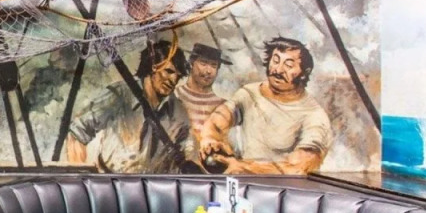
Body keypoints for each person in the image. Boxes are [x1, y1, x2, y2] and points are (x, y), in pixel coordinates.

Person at [200, 37, 333, 174]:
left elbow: (298, 167)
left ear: (304, 73)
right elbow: (217, 121)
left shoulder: (314, 115)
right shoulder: (249, 94)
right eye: (275, 61)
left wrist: (243, 167)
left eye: (288, 65)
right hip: (244, 182)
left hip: (287, 186)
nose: (278, 70)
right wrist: (210, 138)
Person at [67, 39, 192, 173]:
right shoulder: (119, 95)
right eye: (169, 71)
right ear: (153, 67)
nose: (173, 80)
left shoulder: (178, 111)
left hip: (153, 184)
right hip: (112, 180)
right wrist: (79, 177)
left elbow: (186, 155)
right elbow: (77, 131)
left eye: (178, 76)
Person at [176, 42, 231, 144]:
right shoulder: (175, 96)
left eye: (214, 65)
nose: (208, 71)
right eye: (203, 63)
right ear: (191, 63)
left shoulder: (223, 105)